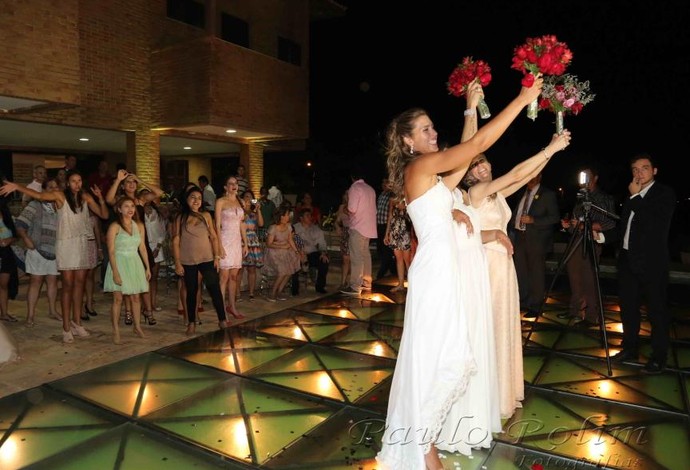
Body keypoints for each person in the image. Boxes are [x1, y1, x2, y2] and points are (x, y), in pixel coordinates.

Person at [375, 77, 543, 469]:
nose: (434, 134)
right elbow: (477, 147)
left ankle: (423, 445)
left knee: (441, 358)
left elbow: (465, 159)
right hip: (435, 274)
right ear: (407, 142)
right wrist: (521, 99)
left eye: (434, 127)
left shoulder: (432, 177)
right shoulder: (419, 168)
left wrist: (470, 106)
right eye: (425, 130)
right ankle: (422, 449)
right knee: (441, 357)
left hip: (446, 271)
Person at [461, 131, 571, 419]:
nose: (482, 167)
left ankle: (500, 390)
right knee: (489, 326)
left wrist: (553, 153)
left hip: (502, 267)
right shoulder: (476, 193)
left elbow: (523, 176)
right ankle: (484, 394)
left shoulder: (495, 192)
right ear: (468, 174)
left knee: (503, 325)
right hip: (487, 265)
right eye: (475, 165)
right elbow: (514, 175)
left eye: (483, 162)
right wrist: (549, 147)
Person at [0, 171, 109, 343]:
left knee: (80, 284)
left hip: (81, 244)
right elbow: (39, 195)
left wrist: (100, 198)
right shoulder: (60, 196)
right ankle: (66, 327)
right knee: (67, 286)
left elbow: (104, 215)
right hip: (66, 245)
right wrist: (17, 186)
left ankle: (77, 322)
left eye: (79, 180)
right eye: (73, 181)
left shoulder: (85, 197)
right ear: (67, 183)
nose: (77, 184)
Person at [612, 154, 676, 374]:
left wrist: (636, 196)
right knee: (628, 308)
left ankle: (659, 356)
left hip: (652, 263)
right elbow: (626, 227)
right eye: (635, 169)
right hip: (628, 260)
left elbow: (654, 226)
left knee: (656, 311)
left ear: (654, 171)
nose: (639, 173)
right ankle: (630, 347)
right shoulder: (632, 196)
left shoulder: (664, 194)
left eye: (644, 168)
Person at [558, 165, 617, 327]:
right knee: (575, 278)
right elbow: (576, 223)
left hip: (592, 242)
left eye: (589, 177)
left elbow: (609, 223)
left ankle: (592, 316)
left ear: (596, 178)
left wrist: (585, 226)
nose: (586, 181)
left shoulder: (604, 198)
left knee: (590, 279)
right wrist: (568, 225)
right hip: (576, 242)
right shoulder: (581, 198)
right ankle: (576, 310)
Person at [172, 186, 228, 335]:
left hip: (207, 258)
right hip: (188, 260)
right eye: (192, 197)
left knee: (214, 289)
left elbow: (214, 237)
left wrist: (216, 256)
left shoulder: (206, 215)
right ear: (186, 199)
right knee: (191, 292)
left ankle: (222, 319)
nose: (196, 200)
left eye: (199, 198)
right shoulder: (180, 217)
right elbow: (176, 240)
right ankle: (191, 322)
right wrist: (177, 262)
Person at [511, 172, 560, 318]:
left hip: (537, 240)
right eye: (529, 174)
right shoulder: (522, 193)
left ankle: (536, 305)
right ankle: (524, 301)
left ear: (539, 177)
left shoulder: (547, 194)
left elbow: (554, 217)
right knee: (521, 271)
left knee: (536, 273)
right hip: (520, 237)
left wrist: (534, 220)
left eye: (534, 175)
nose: (530, 178)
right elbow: (517, 213)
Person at [103, 196, 151, 344]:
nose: (130, 209)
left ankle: (137, 327)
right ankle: (116, 330)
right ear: (119, 209)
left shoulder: (139, 225)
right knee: (118, 299)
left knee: (136, 298)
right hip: (119, 263)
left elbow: (142, 247)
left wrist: (147, 267)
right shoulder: (114, 227)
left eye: (132, 206)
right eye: (126, 206)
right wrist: (115, 272)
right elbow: (110, 251)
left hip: (135, 262)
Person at [15, 178, 62, 325]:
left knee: (53, 281)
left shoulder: (60, 206)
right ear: (43, 190)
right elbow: (20, 223)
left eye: (56, 187)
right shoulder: (35, 204)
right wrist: (26, 238)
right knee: (35, 282)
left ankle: (53, 310)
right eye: (50, 187)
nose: (53, 190)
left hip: (56, 251)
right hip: (37, 250)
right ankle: (30, 315)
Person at [215, 175, 249, 319]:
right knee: (224, 276)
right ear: (225, 187)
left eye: (235, 183)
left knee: (234, 276)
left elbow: (242, 224)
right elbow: (216, 225)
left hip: (236, 242)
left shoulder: (241, 202)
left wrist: (245, 243)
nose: (234, 186)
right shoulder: (220, 201)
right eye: (231, 184)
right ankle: (222, 309)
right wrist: (219, 246)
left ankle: (232, 306)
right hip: (224, 240)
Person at [340, 169, 376, 295]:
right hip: (369, 227)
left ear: (352, 177)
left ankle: (355, 286)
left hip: (358, 227)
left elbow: (352, 209)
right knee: (365, 254)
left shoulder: (355, 188)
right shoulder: (370, 189)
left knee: (357, 256)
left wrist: (345, 208)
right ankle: (366, 282)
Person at [263, 206, 301, 302]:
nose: (289, 217)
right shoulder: (273, 228)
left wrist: (296, 251)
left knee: (289, 271)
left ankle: (279, 291)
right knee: (283, 271)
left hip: (286, 251)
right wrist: (282, 247)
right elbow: (269, 244)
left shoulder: (288, 226)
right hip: (274, 252)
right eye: (287, 215)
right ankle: (272, 292)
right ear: (281, 216)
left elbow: (290, 239)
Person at [293, 208, 330, 294]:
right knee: (293, 262)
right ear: (301, 218)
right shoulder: (295, 228)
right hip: (298, 253)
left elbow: (322, 243)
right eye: (307, 216)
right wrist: (299, 253)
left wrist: (323, 253)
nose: (310, 218)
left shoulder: (316, 229)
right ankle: (294, 289)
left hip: (312, 253)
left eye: (310, 216)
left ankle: (320, 286)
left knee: (324, 261)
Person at [384, 195, 413, 292]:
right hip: (395, 230)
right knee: (398, 258)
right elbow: (390, 217)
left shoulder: (407, 196)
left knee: (407, 259)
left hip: (405, 230)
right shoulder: (392, 199)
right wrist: (387, 234)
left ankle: (412, 284)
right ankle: (401, 284)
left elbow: (405, 210)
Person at [240, 190, 264, 301]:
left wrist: (258, 209)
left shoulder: (254, 213)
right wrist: (244, 208)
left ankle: (251, 293)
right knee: (240, 268)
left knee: (252, 269)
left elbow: (261, 224)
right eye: (246, 196)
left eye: (250, 197)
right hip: (241, 240)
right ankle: (236, 294)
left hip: (253, 240)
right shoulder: (239, 211)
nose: (248, 199)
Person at [0, 195, 19, 323]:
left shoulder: (5, 212)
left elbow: (15, 235)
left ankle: (4, 313)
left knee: (3, 284)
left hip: (5, 252)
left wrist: (9, 240)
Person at [375, 178, 397, 280]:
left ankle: (381, 274)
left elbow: (391, 212)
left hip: (387, 225)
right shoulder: (382, 194)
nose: (384, 184)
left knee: (386, 250)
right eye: (383, 182)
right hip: (380, 224)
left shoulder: (391, 195)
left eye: (386, 182)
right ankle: (394, 271)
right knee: (380, 249)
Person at [334, 190, 351, 288]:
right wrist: (337, 227)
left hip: (353, 232)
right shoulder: (341, 207)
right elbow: (337, 221)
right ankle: (343, 282)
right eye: (345, 194)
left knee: (352, 260)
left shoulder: (355, 206)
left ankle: (350, 281)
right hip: (345, 233)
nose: (347, 196)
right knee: (345, 259)